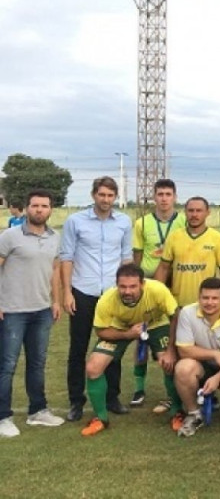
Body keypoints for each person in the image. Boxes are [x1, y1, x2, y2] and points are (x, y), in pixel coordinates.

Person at [59, 176, 133, 423]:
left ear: (115, 197)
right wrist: (67, 292)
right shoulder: (75, 221)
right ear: (93, 195)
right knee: (78, 349)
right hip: (83, 291)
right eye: (101, 195)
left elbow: (126, 258)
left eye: (110, 195)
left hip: (113, 294)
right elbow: (66, 258)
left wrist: (127, 291)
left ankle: (112, 398)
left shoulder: (123, 222)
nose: (106, 199)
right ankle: (75, 402)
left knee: (112, 347)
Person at [79, 264, 179, 436]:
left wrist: (171, 350)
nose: (127, 291)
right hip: (121, 328)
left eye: (133, 286)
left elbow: (176, 316)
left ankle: (177, 412)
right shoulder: (107, 299)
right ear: (117, 285)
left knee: (170, 362)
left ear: (142, 284)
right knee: (93, 367)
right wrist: (127, 334)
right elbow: (101, 330)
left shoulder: (157, 290)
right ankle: (100, 418)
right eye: (122, 286)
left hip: (156, 323)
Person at [0, 189, 63, 437]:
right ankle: (3, 416)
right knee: (7, 365)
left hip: (41, 311)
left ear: (50, 209)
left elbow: (54, 271)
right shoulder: (10, 236)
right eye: (35, 205)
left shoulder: (54, 237)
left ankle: (38, 411)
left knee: (37, 364)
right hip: (13, 312)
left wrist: (55, 301)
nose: (39, 210)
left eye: (44, 206)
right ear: (26, 208)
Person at [130, 178, 185, 407]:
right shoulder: (142, 223)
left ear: (175, 197)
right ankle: (139, 388)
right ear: (154, 197)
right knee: (141, 335)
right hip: (149, 284)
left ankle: (176, 387)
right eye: (160, 194)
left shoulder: (183, 220)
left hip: (175, 282)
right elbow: (137, 256)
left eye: (168, 194)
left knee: (174, 333)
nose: (164, 199)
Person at [172, 277, 220, 437]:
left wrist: (218, 378)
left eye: (215, 298)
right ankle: (194, 414)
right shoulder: (187, 313)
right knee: (183, 368)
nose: (209, 302)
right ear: (198, 297)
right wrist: (215, 354)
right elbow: (183, 350)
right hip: (202, 365)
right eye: (205, 298)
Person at [155, 197, 220, 308]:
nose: (194, 214)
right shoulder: (174, 237)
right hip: (178, 304)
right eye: (191, 210)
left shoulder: (217, 238)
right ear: (185, 212)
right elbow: (163, 268)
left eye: (199, 211)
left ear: (207, 213)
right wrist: (158, 295)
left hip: (206, 304)